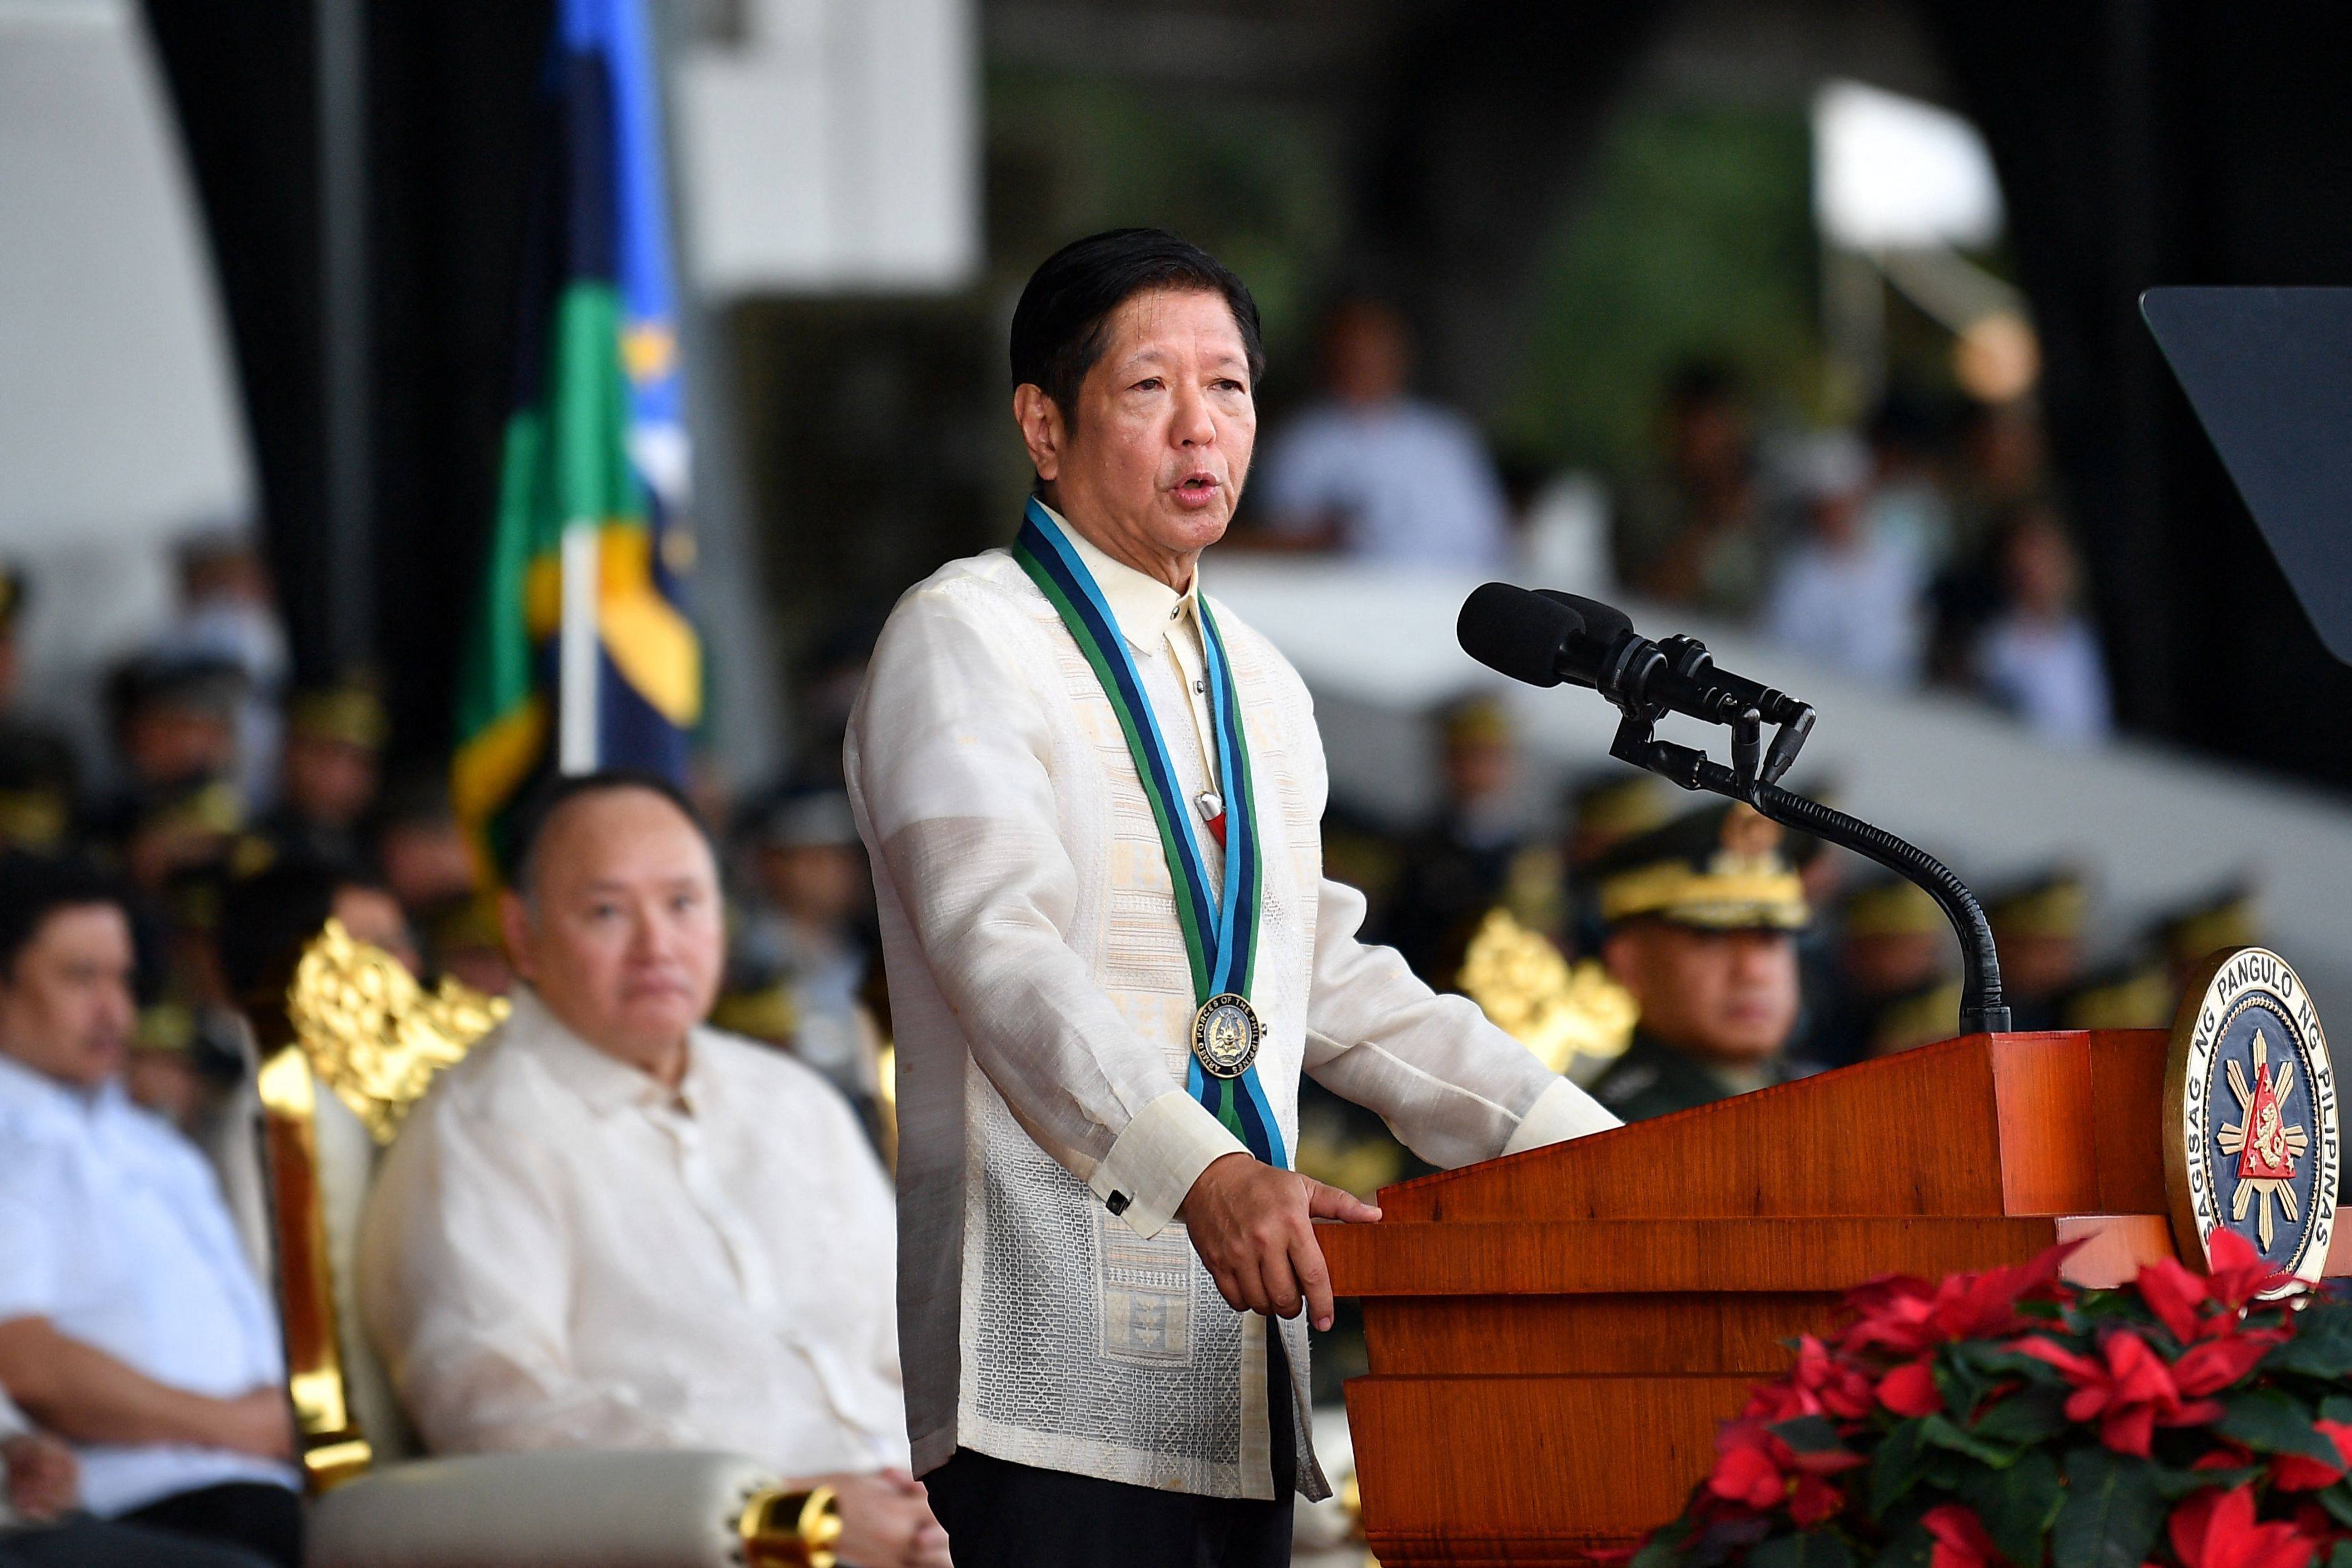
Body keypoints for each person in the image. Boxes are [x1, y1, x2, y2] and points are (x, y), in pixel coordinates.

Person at [846, 228, 1617, 1568]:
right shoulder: (964, 635)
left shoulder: (1261, 677)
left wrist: (1592, 1151)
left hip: (1235, 1368)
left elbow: (1325, 976)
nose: (1201, 428)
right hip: (1041, 1373)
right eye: (1150, 388)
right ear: (1044, 423)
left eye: (1233, 388)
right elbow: (998, 947)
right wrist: (1200, 1173)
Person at [357, 773, 950, 1568]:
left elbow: (911, 1342)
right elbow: (492, 1409)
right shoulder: (482, 1128)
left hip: (925, 1515)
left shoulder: (789, 1100)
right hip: (718, 1539)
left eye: (684, 903)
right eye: (607, 911)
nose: (657, 946)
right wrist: (774, 1507)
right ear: (521, 934)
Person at [0, 854, 301, 1568]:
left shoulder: (154, 1143)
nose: (117, 1011)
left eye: (124, 979)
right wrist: (234, 1426)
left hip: (260, 1477)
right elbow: (27, 1361)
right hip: (130, 1492)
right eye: (80, 977)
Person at [1584, 805, 1817, 1121]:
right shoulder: (1612, 1128)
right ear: (1630, 962)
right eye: (1711, 937)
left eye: (1770, 937)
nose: (1754, 971)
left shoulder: (1820, 1095)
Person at [1249, 296, 1512, 569]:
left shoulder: (1446, 439)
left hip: (1444, 598)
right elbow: (1279, 544)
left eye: (1378, 348)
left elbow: (1487, 539)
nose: (1366, 359)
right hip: (1340, 603)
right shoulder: (1302, 441)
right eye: (1355, 348)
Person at [1380, 694, 1543, 989]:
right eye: (1465, 756)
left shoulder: (1535, 859)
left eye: (1490, 757)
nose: (1477, 771)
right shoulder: (1414, 853)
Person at [1761, 431, 1925, 686]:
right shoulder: (1798, 573)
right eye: (1827, 502)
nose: (1836, 510)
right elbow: (1781, 650)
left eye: (1844, 497)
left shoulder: (1899, 561)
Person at [1619, 363, 1768, 619]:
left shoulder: (1759, 503)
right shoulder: (1650, 498)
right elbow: (1651, 599)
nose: (1720, 444)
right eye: (1707, 429)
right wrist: (1711, 522)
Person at [1974, 506, 2112, 745]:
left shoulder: (2080, 636)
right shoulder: (2001, 644)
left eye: (2052, 556)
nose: (2045, 568)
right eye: (2033, 559)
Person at [253, 682, 387, 867]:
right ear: (290, 753)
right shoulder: (259, 851)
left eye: (360, 762)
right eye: (325, 756)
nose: (340, 776)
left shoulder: (376, 856)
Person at [1983, 869, 2090, 1033]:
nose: (2058, 961)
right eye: (2045, 949)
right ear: (2001, 947)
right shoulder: (1982, 1012)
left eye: (2064, 948)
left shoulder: (2079, 1010)